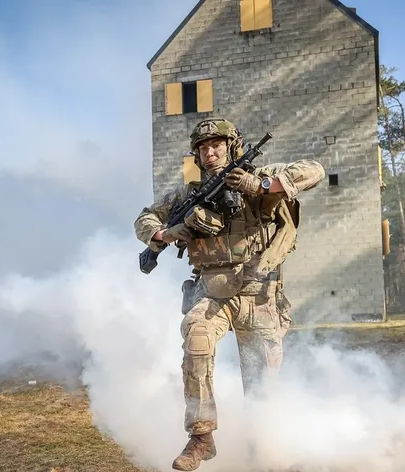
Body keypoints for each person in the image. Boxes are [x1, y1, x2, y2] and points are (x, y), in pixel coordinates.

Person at [134, 118, 325, 471]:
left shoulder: (258, 175)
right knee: (196, 340)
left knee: (261, 381)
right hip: (213, 290)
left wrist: (260, 184)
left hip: (259, 294)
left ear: (232, 146)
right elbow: (145, 219)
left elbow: (314, 170)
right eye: (203, 148)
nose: (210, 152)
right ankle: (201, 437)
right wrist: (165, 235)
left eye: (216, 145)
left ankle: (261, 448)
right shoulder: (186, 195)